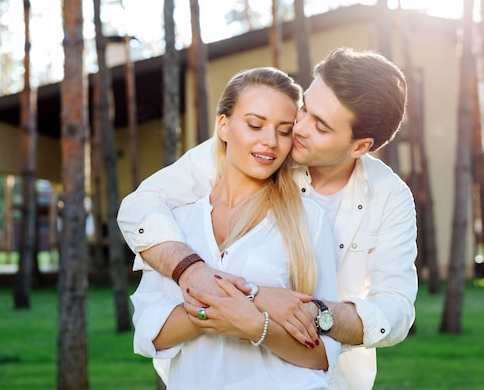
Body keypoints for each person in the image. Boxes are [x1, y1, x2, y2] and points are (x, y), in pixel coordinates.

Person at [119, 47, 418, 390]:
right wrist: (195, 273)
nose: (298, 128)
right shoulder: (257, 149)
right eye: (305, 108)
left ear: (359, 147)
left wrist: (313, 313)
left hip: (332, 379)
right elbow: (140, 206)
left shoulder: (388, 197)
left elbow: (395, 308)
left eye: (319, 126)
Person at [129, 67, 340, 389]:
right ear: (224, 126)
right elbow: (150, 334)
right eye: (255, 125)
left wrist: (256, 326)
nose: (269, 142)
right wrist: (253, 300)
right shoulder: (177, 222)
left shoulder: (309, 219)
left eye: (284, 131)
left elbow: (324, 354)